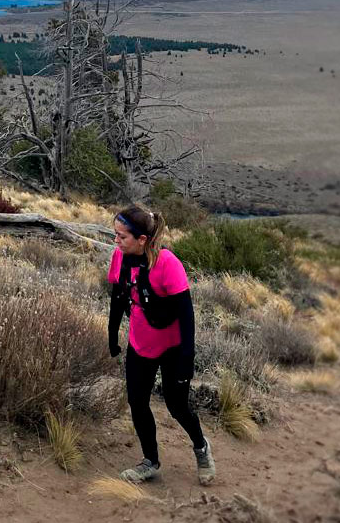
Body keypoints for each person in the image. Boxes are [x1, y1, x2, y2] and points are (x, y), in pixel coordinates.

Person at [107, 204, 215, 485]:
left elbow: (186, 314)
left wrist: (186, 359)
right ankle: (150, 461)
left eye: (122, 237)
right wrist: (111, 333)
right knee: (137, 402)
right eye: (115, 235)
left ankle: (201, 447)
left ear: (142, 240)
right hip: (140, 342)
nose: (116, 241)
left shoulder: (168, 264)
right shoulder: (120, 257)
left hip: (172, 346)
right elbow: (118, 296)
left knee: (177, 406)